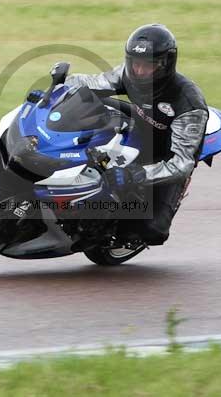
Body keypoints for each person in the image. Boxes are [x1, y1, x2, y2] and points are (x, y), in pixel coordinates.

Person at [64, 24, 209, 245]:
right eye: (135, 64)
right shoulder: (128, 73)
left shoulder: (189, 105)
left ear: (165, 64)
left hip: (167, 155)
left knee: (151, 231)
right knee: (84, 103)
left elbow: (181, 164)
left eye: (147, 66)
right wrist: (61, 85)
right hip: (139, 129)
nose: (139, 71)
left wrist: (136, 175)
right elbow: (94, 82)